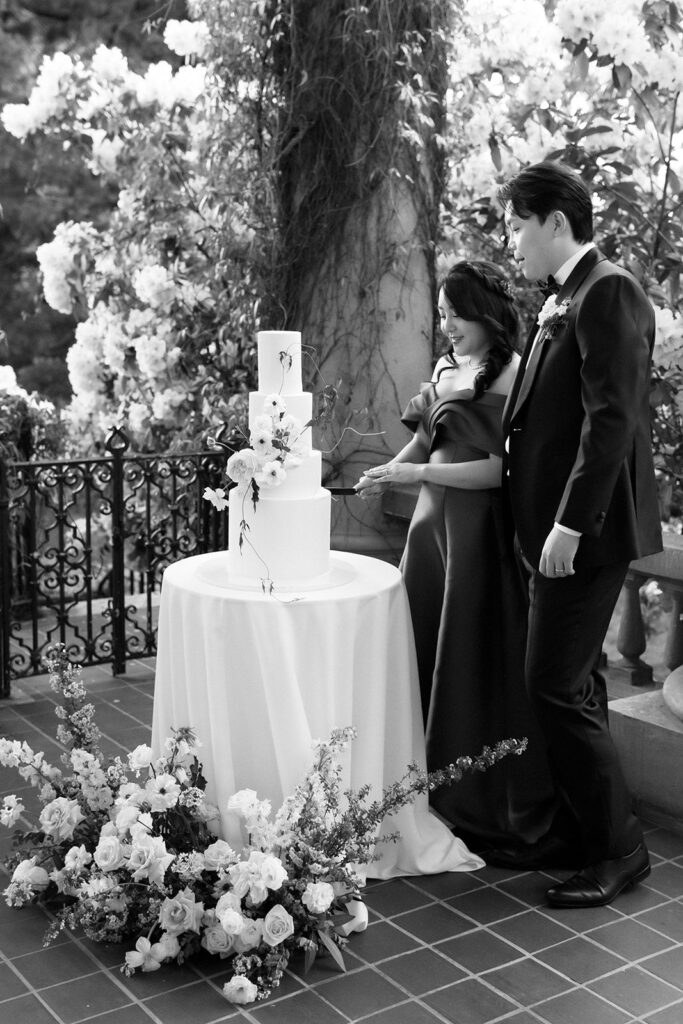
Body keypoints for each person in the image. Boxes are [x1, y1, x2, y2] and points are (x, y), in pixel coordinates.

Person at [498, 160, 663, 907]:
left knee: (554, 687)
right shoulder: (564, 296)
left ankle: (621, 851)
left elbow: (611, 422)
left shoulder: (608, 290)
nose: (511, 243)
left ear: (554, 222)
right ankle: (585, 831)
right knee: (577, 684)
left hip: (583, 534)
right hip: (550, 531)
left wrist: (568, 522)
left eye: (515, 226)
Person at [355, 260, 557, 858]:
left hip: (475, 537)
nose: (445, 326)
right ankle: (413, 780)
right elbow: (429, 440)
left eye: (453, 314)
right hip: (429, 535)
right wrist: (396, 467)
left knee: (467, 659)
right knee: (419, 649)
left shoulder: (517, 375)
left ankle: (471, 792)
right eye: (440, 314)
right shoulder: (447, 367)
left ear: (486, 314)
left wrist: (418, 471)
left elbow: (500, 471)